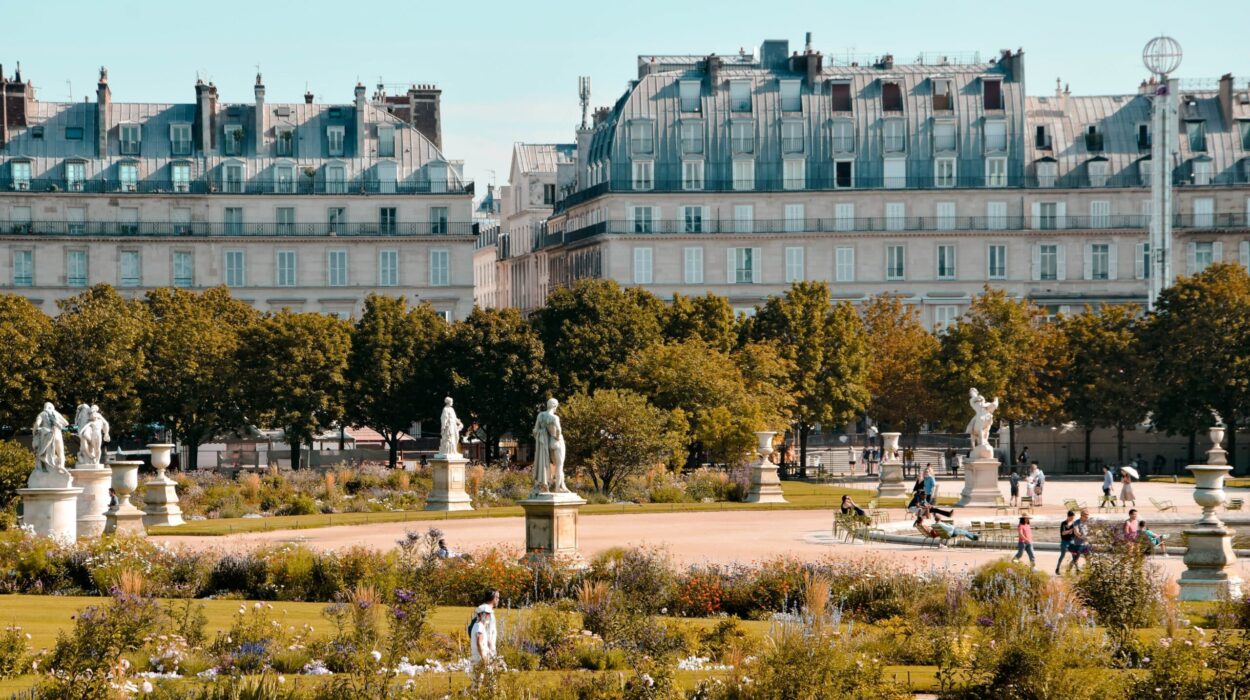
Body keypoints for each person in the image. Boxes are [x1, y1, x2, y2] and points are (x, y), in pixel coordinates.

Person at [1068, 508, 1092, 572]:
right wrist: (1082, 537)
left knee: (1088, 557)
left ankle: (1088, 570)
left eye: (1087, 517)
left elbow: (1091, 530)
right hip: (1078, 544)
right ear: (1081, 516)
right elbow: (1076, 532)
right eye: (1086, 517)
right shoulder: (1076, 522)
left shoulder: (1087, 522)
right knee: (1075, 559)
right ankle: (1068, 570)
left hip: (1085, 544)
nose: (1087, 518)